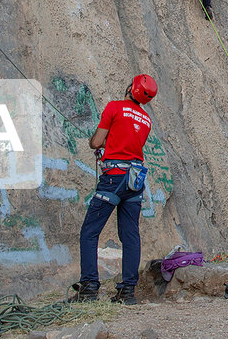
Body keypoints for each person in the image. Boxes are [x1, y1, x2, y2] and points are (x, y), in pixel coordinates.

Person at [73, 74, 157, 304]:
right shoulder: (146, 120)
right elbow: (130, 143)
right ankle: (127, 292)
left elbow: (97, 142)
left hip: (114, 177)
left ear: (132, 87)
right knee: (130, 235)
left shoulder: (114, 107)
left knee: (89, 232)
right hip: (134, 179)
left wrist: (98, 142)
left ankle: (89, 288)